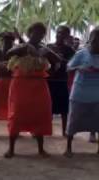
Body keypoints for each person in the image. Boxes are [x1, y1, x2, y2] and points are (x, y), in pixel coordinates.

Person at [4, 22, 61, 158]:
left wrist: (49, 56)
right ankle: (11, 149)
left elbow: (58, 60)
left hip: (39, 87)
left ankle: (41, 149)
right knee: (16, 114)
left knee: (40, 114)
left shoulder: (44, 49)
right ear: (29, 33)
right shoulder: (21, 47)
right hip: (20, 86)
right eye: (35, 32)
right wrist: (20, 49)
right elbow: (7, 54)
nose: (38, 35)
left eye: (41, 33)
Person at [64, 27, 99, 158]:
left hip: (97, 94)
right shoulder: (82, 53)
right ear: (91, 40)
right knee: (73, 121)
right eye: (95, 40)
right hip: (80, 93)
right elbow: (68, 68)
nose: (97, 44)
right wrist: (80, 68)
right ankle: (68, 148)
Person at [47, 26, 75, 137]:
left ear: (67, 36)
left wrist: (58, 58)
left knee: (64, 109)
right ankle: (45, 130)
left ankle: (64, 132)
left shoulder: (69, 50)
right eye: (58, 32)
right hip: (49, 80)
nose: (60, 35)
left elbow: (71, 64)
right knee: (47, 107)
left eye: (63, 33)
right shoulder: (48, 47)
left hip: (61, 80)